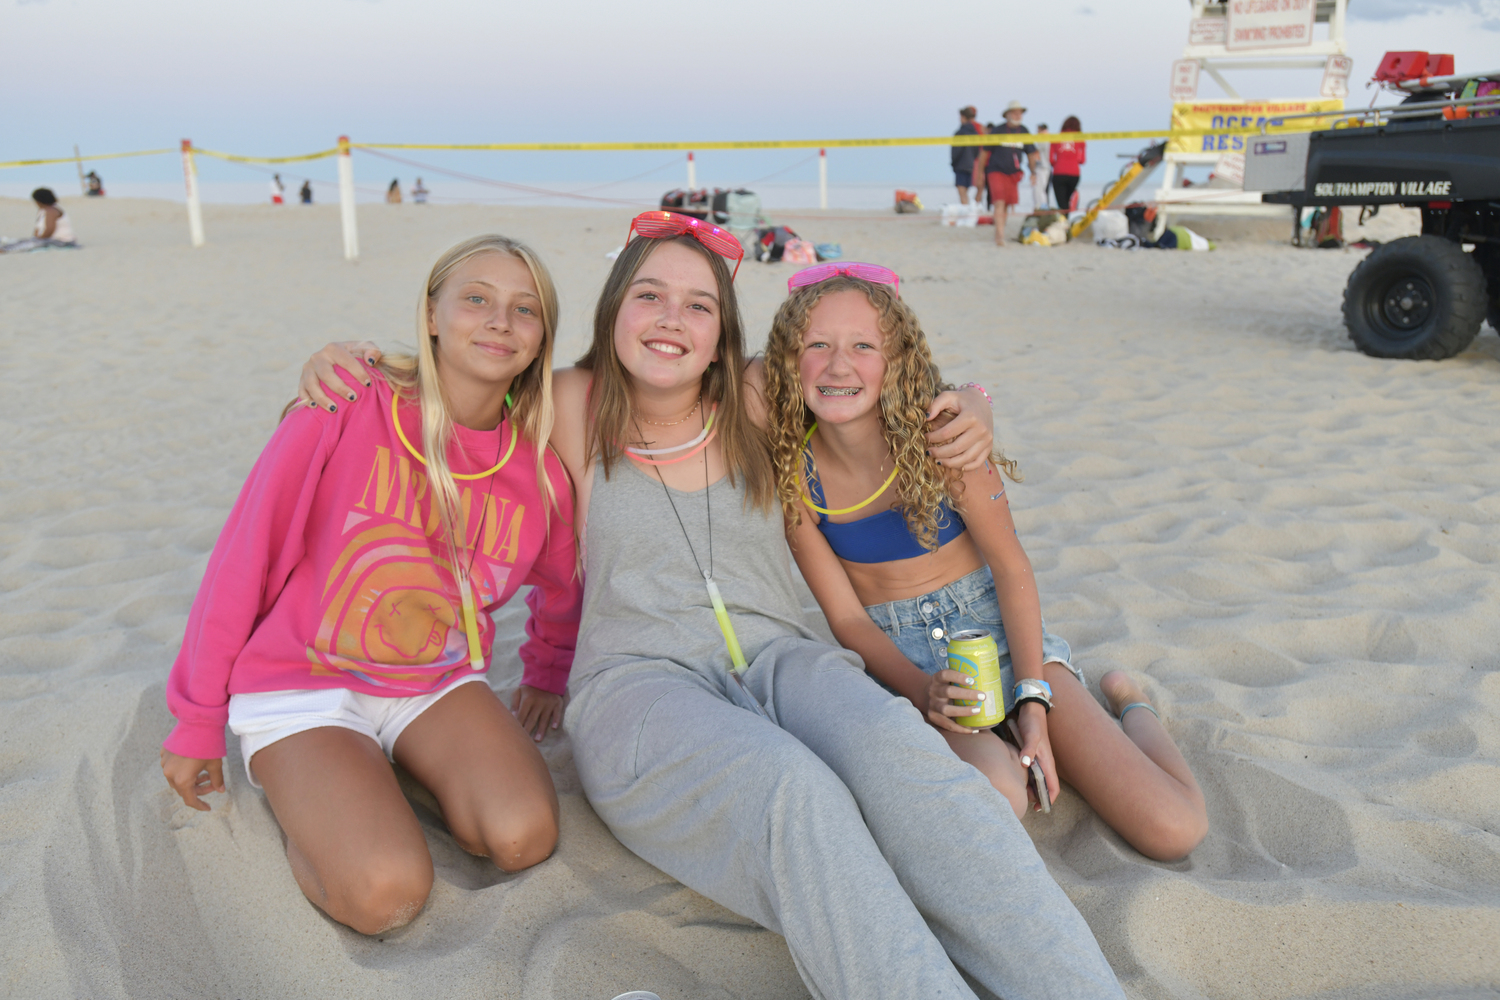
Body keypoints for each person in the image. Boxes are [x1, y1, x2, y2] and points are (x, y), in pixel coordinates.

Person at [295, 212, 1124, 1000]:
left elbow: (874, 373)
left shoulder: (758, 400)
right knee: (793, 794)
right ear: (616, 306)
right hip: (638, 688)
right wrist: (345, 363)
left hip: (787, 661)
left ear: (721, 333)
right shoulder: (567, 404)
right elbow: (445, 392)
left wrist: (975, 398)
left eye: (699, 304)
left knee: (905, 761)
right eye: (650, 295)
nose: (671, 319)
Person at [160, 235, 582, 936]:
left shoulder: (537, 464)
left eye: (525, 310)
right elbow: (244, 559)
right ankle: (329, 798)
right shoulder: (349, 401)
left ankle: (386, 771)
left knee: (521, 837)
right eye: (476, 298)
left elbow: (562, 584)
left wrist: (546, 671)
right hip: (303, 682)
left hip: (433, 682)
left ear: (542, 340)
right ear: (433, 313)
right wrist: (198, 720)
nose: (500, 321)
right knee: (385, 895)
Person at [760, 264, 1209, 861]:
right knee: (1002, 790)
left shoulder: (947, 443)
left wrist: (1033, 703)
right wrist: (923, 693)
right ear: (791, 362)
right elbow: (848, 621)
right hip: (906, 662)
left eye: (863, 346)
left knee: (1174, 830)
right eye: (817, 345)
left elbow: (1012, 571)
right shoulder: (795, 476)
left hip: (1004, 638)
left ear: (897, 361)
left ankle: (1131, 705)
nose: (839, 365)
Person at [974, 100, 1039, 246]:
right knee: (999, 201)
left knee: (1008, 204)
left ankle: (999, 230)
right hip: (996, 170)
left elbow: (1030, 153)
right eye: (1015, 112)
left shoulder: (1024, 131)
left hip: (1014, 173)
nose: (1018, 115)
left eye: (1020, 113)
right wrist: (980, 174)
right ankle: (1000, 236)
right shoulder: (998, 130)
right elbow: (984, 153)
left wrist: (1033, 172)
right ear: (1008, 114)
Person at [1, 188, 79, 254]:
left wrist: (38, 240)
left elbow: (49, 229)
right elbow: (38, 229)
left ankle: (4, 250)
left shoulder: (51, 211)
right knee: (20, 242)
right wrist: (35, 238)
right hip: (47, 239)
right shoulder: (43, 211)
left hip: (61, 241)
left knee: (25, 245)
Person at [1051, 116, 1086, 212]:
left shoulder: (1056, 138)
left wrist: (1060, 162)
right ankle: (1072, 209)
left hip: (1059, 172)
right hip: (1074, 173)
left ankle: (1066, 221)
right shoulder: (1080, 139)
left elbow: (1051, 159)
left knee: (1062, 204)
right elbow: (1082, 160)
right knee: (1068, 202)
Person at [950, 106, 982, 206]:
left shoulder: (960, 133)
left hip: (961, 165)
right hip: (971, 165)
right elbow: (978, 150)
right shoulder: (976, 133)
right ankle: (970, 210)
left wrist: (954, 163)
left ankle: (966, 212)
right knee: (966, 192)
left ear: (964, 117)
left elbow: (956, 152)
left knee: (962, 192)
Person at [1031, 124, 1052, 210]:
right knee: (1040, 189)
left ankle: (1042, 207)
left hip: (1043, 166)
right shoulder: (1048, 138)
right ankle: (1041, 207)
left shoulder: (1044, 138)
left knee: (1039, 189)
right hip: (1044, 166)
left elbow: (1036, 149)